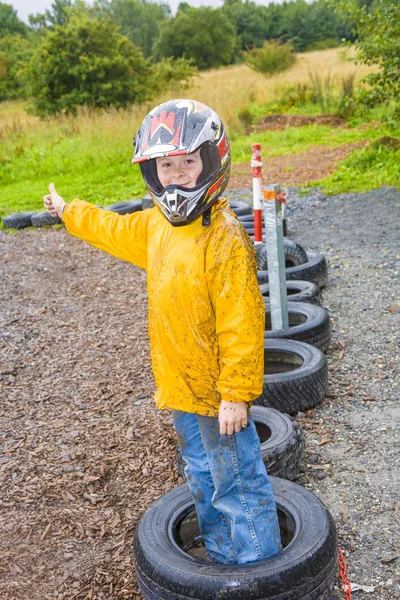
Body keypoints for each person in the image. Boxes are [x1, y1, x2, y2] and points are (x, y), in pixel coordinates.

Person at [44, 98, 282, 565]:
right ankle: (219, 556)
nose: (176, 175)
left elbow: (243, 322)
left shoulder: (223, 236)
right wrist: (67, 209)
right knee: (200, 475)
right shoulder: (157, 227)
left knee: (236, 479)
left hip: (219, 397)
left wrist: (236, 392)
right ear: (153, 172)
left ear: (212, 160)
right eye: (165, 165)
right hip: (178, 387)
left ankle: (260, 570)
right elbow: (111, 228)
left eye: (188, 163)